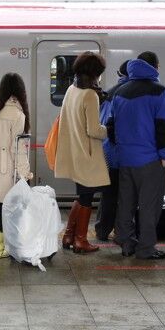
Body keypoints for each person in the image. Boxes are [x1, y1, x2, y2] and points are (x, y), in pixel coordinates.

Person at [107, 57, 165, 260]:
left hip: (125, 158)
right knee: (149, 206)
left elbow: (111, 126)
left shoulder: (120, 92)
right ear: (153, 68)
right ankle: (146, 248)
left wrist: (121, 149)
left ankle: (126, 244)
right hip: (150, 159)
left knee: (126, 203)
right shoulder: (160, 91)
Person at [55, 51, 110, 254]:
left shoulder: (72, 89)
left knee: (82, 196)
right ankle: (80, 240)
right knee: (86, 198)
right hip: (87, 154)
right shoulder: (90, 95)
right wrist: (110, 129)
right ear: (95, 73)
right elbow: (94, 130)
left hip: (74, 152)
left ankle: (69, 235)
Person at [0, 73, 32, 259]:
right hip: (7, 168)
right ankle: (1, 248)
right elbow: (17, 149)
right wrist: (26, 173)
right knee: (8, 206)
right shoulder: (17, 114)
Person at [95, 60, 131, 241]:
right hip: (121, 153)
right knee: (123, 195)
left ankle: (102, 230)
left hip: (106, 150)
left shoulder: (108, 92)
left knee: (108, 194)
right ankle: (120, 231)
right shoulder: (128, 94)